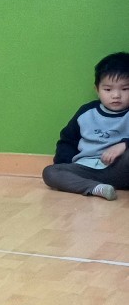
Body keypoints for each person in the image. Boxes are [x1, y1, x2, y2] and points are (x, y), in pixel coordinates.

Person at [42, 52, 129, 200]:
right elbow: (67, 140)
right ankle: (96, 188)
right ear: (97, 89)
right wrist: (65, 165)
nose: (116, 95)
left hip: (119, 169)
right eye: (108, 89)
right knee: (50, 172)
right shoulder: (86, 112)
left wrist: (124, 145)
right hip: (87, 169)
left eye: (125, 89)